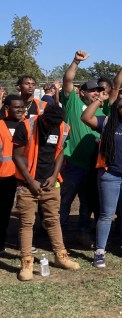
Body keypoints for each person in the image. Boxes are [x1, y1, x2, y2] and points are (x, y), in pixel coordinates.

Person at [13, 105, 80, 281]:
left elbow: (60, 154)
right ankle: (26, 263)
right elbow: (17, 156)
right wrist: (30, 181)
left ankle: (61, 256)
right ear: (43, 117)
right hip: (27, 184)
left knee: (53, 220)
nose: (52, 127)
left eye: (55, 124)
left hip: (50, 183)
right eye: (49, 123)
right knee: (27, 223)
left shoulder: (63, 127)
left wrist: (54, 175)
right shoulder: (26, 126)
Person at [81, 94, 122, 268]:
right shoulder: (108, 123)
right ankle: (100, 251)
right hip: (110, 175)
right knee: (106, 215)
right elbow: (86, 117)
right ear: (115, 109)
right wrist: (98, 100)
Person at [59, 51, 104, 245]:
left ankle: (83, 232)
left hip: (93, 165)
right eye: (92, 90)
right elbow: (67, 79)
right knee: (64, 201)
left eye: (98, 90)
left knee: (87, 203)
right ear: (82, 92)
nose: (96, 93)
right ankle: (57, 234)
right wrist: (76, 61)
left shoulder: (102, 110)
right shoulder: (73, 103)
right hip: (72, 164)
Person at [0, 95, 24, 252]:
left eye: (22, 107)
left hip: (22, 175)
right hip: (4, 176)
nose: (21, 110)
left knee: (17, 210)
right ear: (7, 109)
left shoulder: (27, 125)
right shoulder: (1, 125)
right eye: (17, 107)